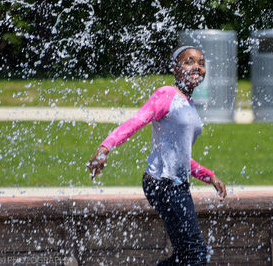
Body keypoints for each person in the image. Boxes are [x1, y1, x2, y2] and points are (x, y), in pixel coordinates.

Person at [87, 46, 227, 265]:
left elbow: (178, 155)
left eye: (201, 62)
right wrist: (105, 148)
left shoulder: (188, 104)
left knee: (186, 256)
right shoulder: (167, 95)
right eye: (189, 62)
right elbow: (137, 120)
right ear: (174, 68)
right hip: (163, 183)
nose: (197, 67)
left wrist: (209, 175)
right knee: (196, 253)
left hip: (175, 184)